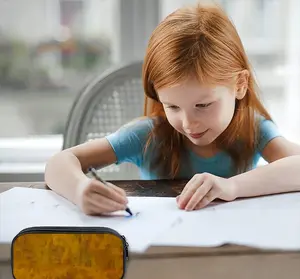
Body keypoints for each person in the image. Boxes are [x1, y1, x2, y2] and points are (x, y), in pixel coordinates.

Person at [45, 3, 300, 215]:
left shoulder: (253, 129)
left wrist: (231, 187)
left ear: (240, 85)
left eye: (203, 105)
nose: (188, 123)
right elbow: (59, 163)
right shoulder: (147, 135)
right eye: (172, 106)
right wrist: (79, 190)